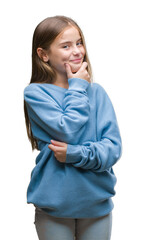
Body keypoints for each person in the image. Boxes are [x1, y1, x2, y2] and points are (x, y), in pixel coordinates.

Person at [24, 15, 122, 240]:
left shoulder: (97, 93)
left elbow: (113, 149)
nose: (77, 51)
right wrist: (77, 86)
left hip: (96, 205)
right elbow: (66, 129)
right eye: (66, 46)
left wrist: (74, 154)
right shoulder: (35, 93)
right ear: (44, 55)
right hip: (55, 207)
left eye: (79, 43)